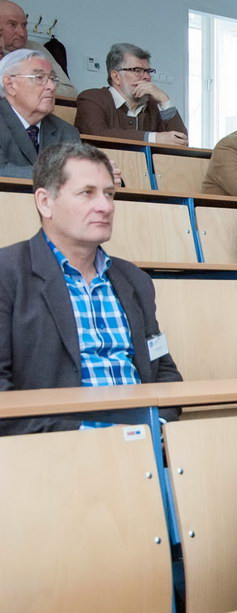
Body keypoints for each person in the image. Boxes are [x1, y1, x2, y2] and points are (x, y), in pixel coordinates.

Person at [0, 142, 182, 435]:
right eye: (87, 193)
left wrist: (156, 427)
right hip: (55, 447)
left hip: (144, 442)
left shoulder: (134, 279)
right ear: (45, 202)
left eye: (109, 194)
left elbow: (164, 372)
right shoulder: (8, 274)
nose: (105, 206)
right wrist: (90, 437)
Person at [74, 43, 188, 145]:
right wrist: (154, 138)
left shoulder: (153, 106)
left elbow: (181, 141)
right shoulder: (91, 98)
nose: (146, 77)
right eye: (137, 70)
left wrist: (165, 100)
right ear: (116, 76)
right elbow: (97, 134)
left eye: (148, 71)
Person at [0, 49, 79, 178]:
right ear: (10, 85)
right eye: (39, 78)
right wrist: (59, 176)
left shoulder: (66, 131)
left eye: (53, 79)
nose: (51, 87)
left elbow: (78, 173)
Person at [0, 2, 75, 97]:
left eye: (24, 25)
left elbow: (70, 92)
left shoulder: (35, 49)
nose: (22, 33)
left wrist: (26, 85)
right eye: (12, 24)